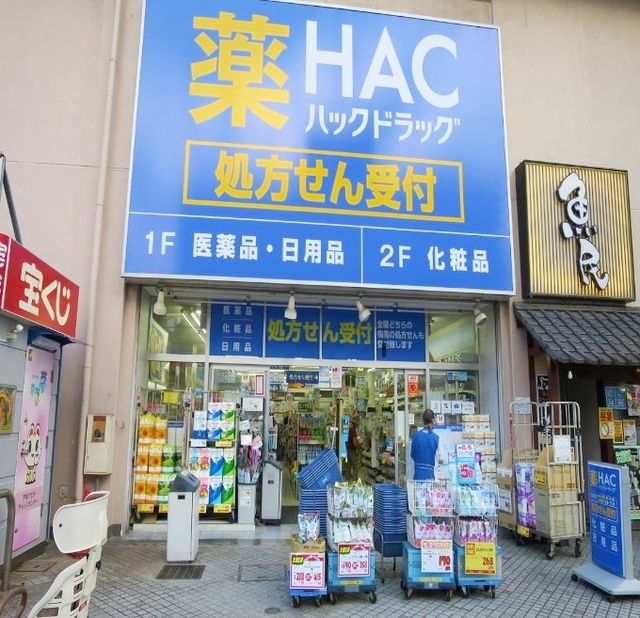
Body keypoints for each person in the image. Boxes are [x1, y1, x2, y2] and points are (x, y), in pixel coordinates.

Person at [411, 409, 441, 480]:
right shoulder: (436, 437)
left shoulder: (415, 436)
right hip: (431, 475)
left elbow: (412, 455)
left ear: (423, 420)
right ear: (432, 420)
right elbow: (441, 458)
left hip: (417, 474)